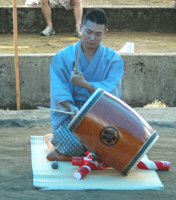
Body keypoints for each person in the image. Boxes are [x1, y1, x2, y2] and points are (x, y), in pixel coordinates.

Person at [44, 8, 124, 161]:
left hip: (100, 114)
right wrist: (71, 107)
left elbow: (112, 92)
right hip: (72, 114)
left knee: (116, 143)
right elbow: (59, 89)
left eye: (98, 34)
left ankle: (61, 150)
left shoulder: (113, 59)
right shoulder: (62, 57)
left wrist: (85, 84)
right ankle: (52, 142)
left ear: (105, 33)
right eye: (88, 32)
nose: (92, 38)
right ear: (80, 27)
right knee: (75, 145)